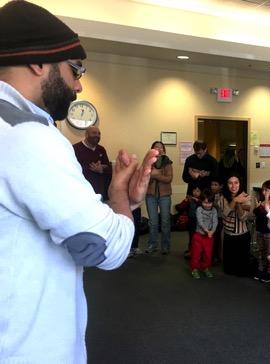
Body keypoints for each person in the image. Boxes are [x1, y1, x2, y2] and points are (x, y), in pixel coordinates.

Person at [0, 2, 158, 362]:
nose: (79, 83)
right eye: (75, 69)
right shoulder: (26, 136)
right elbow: (109, 249)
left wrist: (123, 204)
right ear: (39, 62)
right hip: (25, 348)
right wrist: (120, 196)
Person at [221, 173, 252, 276]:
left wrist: (238, 203)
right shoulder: (222, 197)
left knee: (242, 270)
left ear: (240, 183)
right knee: (229, 270)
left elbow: (242, 217)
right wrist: (235, 200)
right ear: (226, 184)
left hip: (242, 235)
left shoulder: (246, 197)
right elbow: (225, 214)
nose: (233, 186)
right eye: (230, 183)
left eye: (236, 183)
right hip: (228, 235)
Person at [145, 141, 173, 254]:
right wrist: (154, 175)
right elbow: (145, 179)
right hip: (150, 195)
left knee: (165, 221)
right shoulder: (148, 162)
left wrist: (156, 174)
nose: (159, 149)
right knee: (153, 221)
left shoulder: (167, 162)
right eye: (156, 147)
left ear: (164, 150)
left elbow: (169, 179)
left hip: (164, 196)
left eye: (161, 147)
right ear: (152, 149)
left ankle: (165, 246)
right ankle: (152, 245)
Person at [73, 126, 112, 201]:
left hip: (100, 193)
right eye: (94, 133)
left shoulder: (101, 149)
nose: (97, 135)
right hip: (82, 193)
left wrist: (101, 169)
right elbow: (73, 169)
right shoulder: (75, 148)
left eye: (99, 133)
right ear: (86, 135)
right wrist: (92, 168)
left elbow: (108, 168)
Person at [253, 179, 270, 283]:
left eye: (266, 190)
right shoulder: (261, 201)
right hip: (260, 230)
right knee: (261, 251)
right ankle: (261, 269)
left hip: (269, 232)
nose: (264, 192)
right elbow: (256, 214)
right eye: (263, 190)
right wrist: (257, 207)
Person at [190, 189, 218, 279]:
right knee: (196, 254)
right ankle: (194, 269)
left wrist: (212, 232)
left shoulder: (214, 210)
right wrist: (207, 231)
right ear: (201, 201)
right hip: (198, 236)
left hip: (209, 237)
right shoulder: (199, 209)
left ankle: (205, 268)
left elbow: (215, 222)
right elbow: (200, 222)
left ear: (212, 202)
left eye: (209, 203)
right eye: (205, 202)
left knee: (208, 254)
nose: (207, 205)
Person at [210, 177, 224, 264]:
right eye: (212, 185)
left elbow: (219, 205)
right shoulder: (211, 194)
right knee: (213, 238)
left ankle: (218, 256)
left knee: (218, 238)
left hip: (220, 218)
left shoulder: (222, 196)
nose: (213, 187)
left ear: (221, 186)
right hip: (212, 219)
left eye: (215, 185)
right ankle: (213, 255)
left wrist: (211, 203)